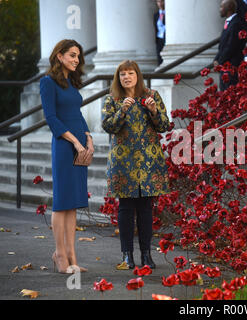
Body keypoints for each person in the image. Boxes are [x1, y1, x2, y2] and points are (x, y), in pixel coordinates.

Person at [101, 60, 170, 269]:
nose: (126, 77)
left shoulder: (151, 96)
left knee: (146, 208)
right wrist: (122, 110)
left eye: (130, 73)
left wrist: (154, 111)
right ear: (118, 77)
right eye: (122, 74)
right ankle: (127, 255)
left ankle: (147, 255)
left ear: (137, 75)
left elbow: (164, 125)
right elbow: (108, 126)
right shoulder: (112, 99)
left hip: (148, 160)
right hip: (123, 160)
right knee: (126, 207)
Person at [40, 39, 94, 274]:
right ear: (59, 56)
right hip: (64, 145)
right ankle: (60, 255)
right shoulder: (47, 82)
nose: (76, 60)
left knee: (73, 204)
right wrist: (74, 141)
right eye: (72, 55)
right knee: (62, 203)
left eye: (78, 56)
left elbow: (76, 114)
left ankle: (72, 256)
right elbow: (51, 118)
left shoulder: (71, 83)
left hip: (80, 144)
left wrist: (88, 138)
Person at [214, 0, 247, 91]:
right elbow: (223, 44)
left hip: (232, 67)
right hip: (225, 67)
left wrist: (220, 61)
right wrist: (216, 58)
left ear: (228, 8)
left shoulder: (236, 23)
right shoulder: (229, 22)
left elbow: (231, 46)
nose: (220, 9)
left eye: (221, 7)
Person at [154, 0, 166, 65]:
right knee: (159, 57)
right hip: (159, 38)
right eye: (158, 1)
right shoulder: (156, 15)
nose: (160, 3)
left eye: (161, 1)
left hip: (166, 38)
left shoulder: (168, 13)